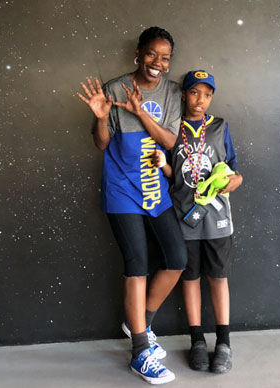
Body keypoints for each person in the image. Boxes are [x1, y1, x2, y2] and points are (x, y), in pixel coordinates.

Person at [77, 27, 187, 385]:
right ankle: (141, 351)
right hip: (122, 189)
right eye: (152, 54)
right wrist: (99, 116)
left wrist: (142, 114)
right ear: (138, 54)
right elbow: (101, 143)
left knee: (176, 259)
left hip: (156, 189)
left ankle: (139, 319)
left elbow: (170, 141)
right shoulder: (113, 87)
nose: (159, 63)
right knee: (136, 264)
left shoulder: (173, 93)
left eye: (166, 57)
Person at [153, 70, 243, 374]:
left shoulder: (219, 127)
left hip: (217, 216)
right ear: (183, 94)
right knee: (189, 278)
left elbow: (233, 169)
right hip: (183, 217)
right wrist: (163, 166)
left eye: (206, 94)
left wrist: (237, 180)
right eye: (194, 92)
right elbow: (171, 174)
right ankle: (196, 341)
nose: (199, 99)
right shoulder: (171, 128)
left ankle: (224, 343)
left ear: (212, 97)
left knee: (218, 277)